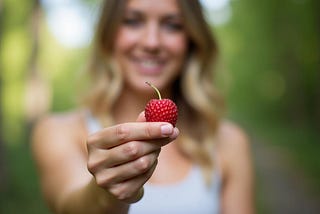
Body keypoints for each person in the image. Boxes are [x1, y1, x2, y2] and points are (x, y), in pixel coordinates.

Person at [32, 0, 255, 213]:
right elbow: (70, 207)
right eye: (133, 21)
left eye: (172, 25)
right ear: (108, 34)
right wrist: (108, 194)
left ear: (191, 40)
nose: (152, 42)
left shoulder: (230, 142)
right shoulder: (58, 131)